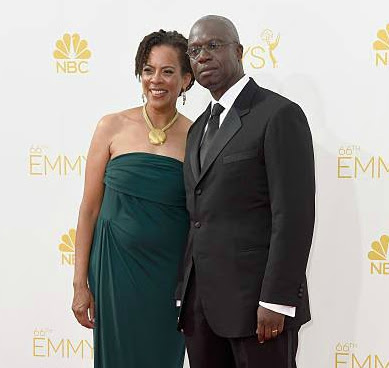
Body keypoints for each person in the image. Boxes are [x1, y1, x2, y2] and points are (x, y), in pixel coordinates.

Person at [176, 15, 315, 368]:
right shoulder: (197, 130)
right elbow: (199, 217)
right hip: (201, 310)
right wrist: (185, 295)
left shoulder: (278, 114)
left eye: (212, 45)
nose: (202, 56)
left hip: (259, 309)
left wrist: (278, 300)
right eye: (194, 50)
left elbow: (293, 216)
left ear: (238, 50)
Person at [71, 29, 195, 368]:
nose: (156, 79)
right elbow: (89, 210)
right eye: (148, 69)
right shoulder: (111, 126)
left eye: (168, 71)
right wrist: (79, 283)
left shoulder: (197, 136)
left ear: (186, 79)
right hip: (114, 271)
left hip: (170, 278)